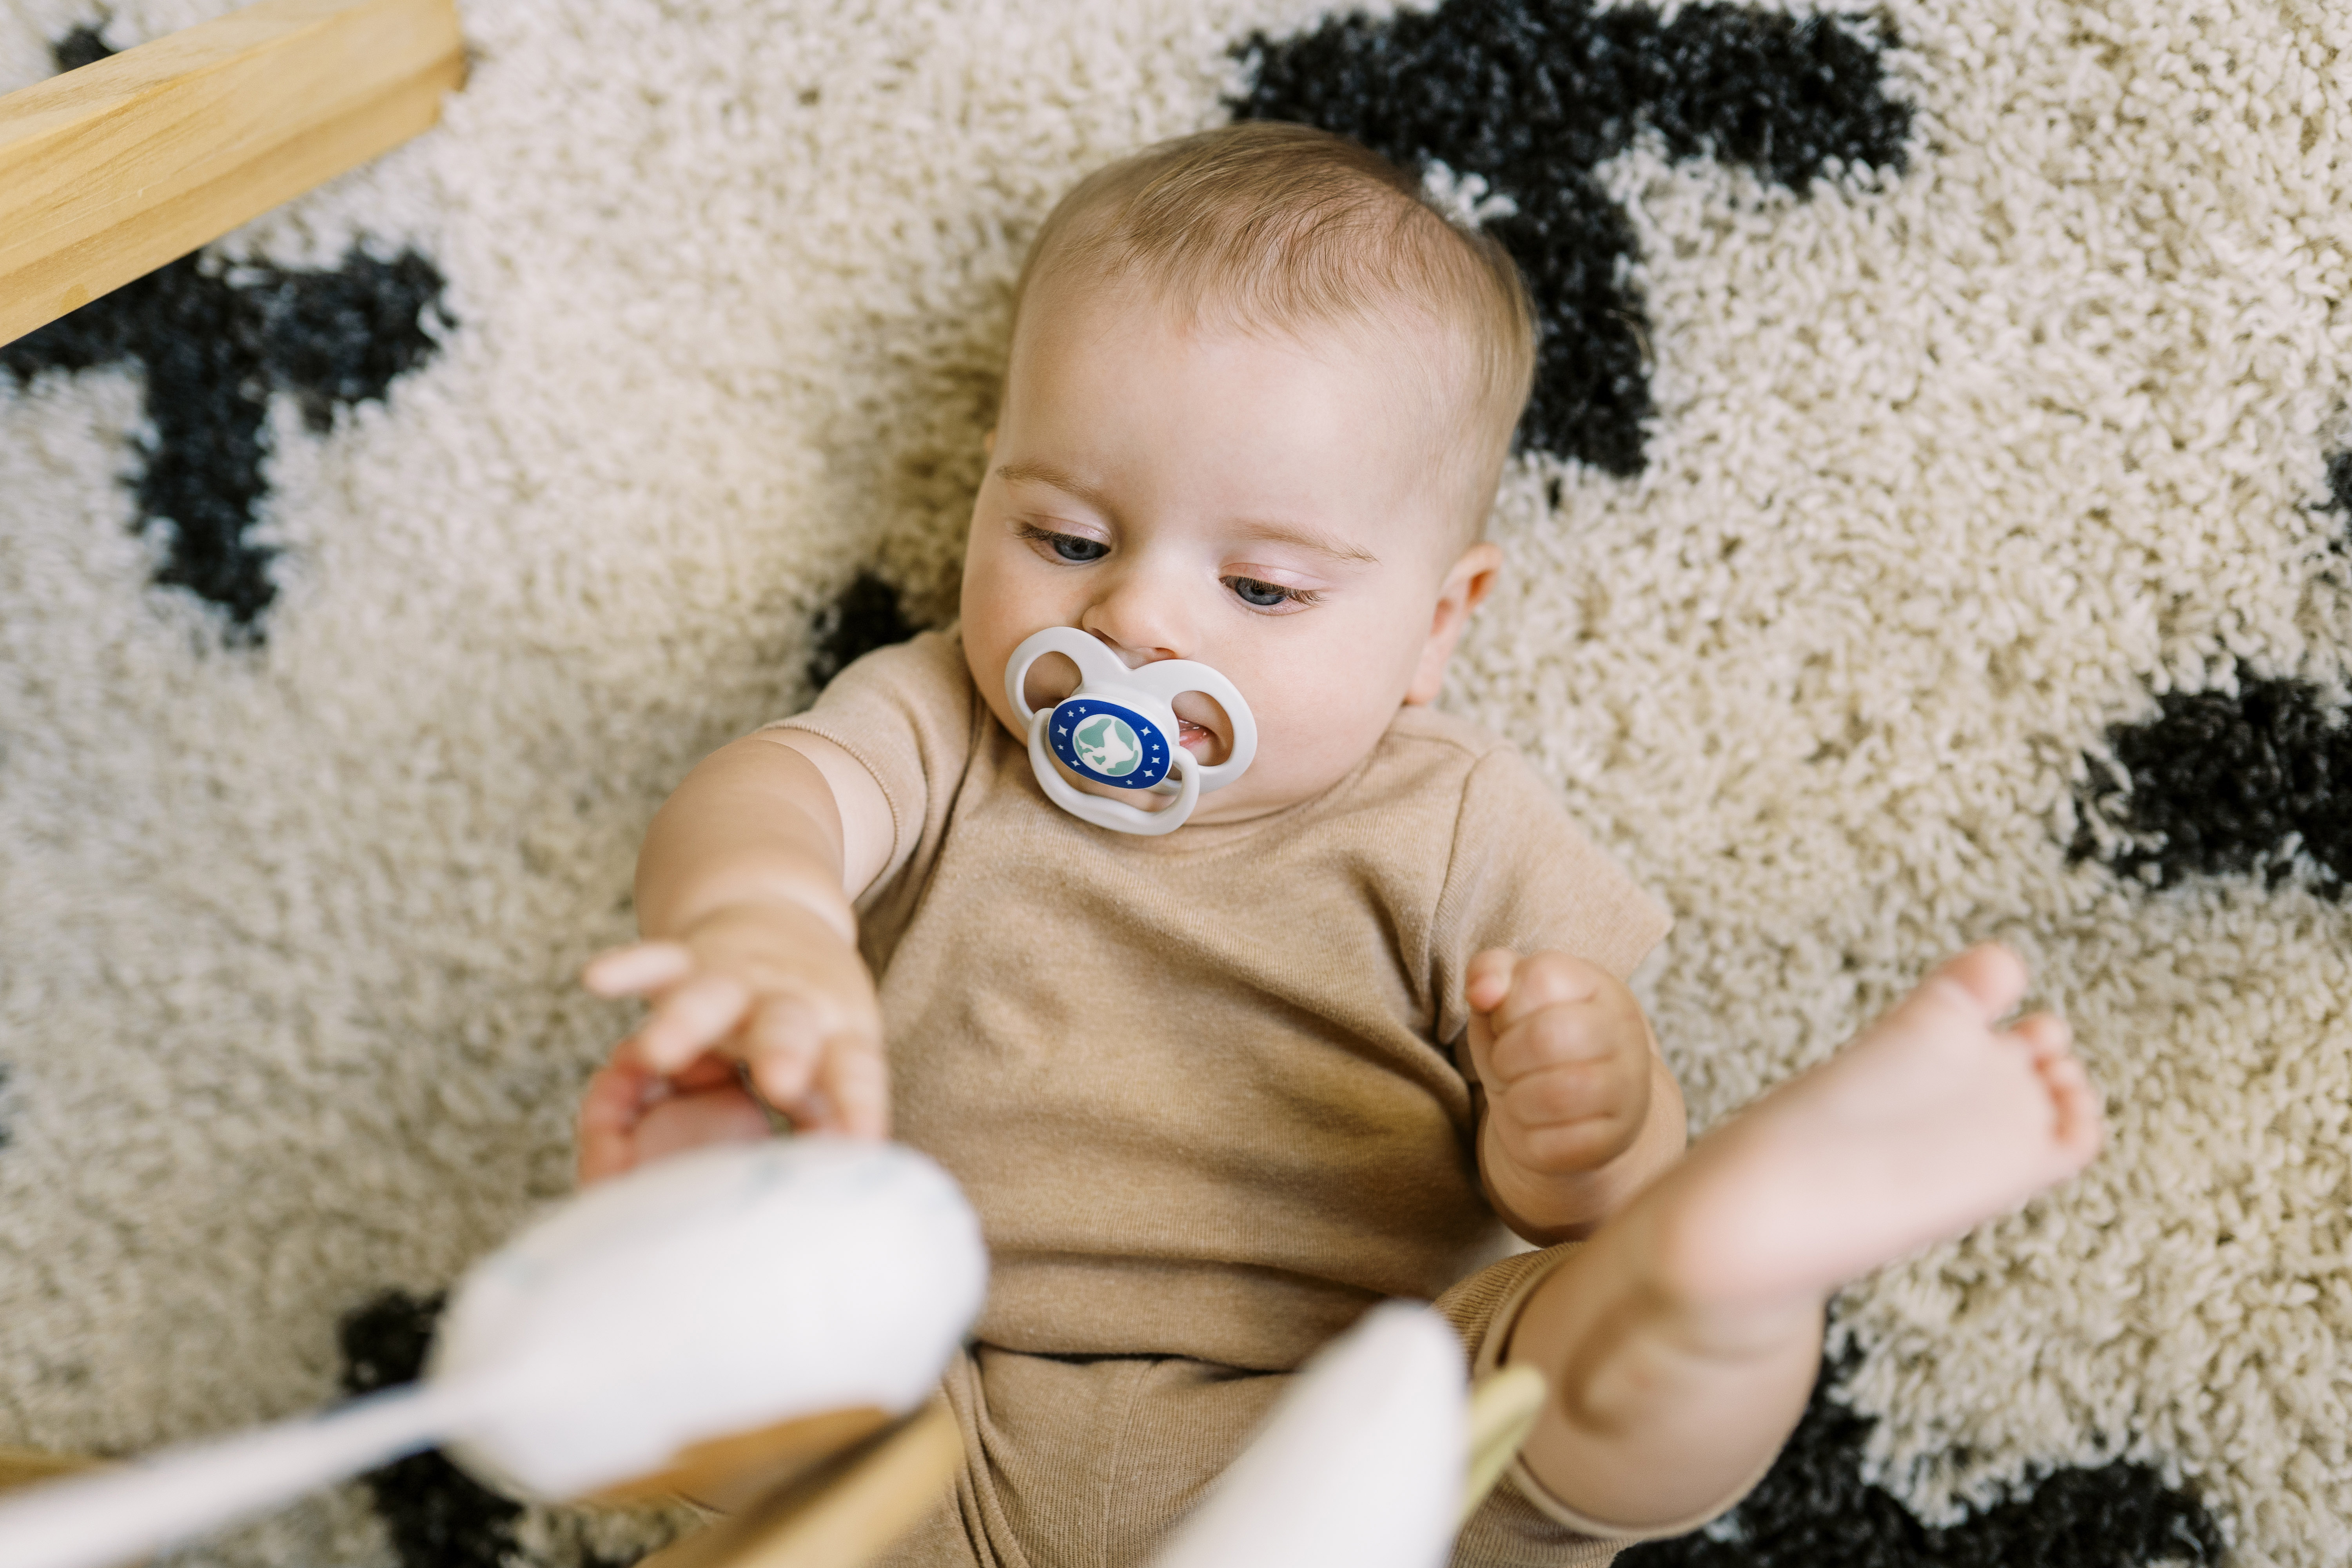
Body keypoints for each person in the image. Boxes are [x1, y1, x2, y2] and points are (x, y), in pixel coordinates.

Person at [570, 122, 2103, 1565]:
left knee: (1564, 1368)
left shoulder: (1452, 823)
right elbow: (777, 792)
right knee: (753, 1350)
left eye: (1263, 589)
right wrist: (763, 917)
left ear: (1437, 624)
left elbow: (1579, 1190)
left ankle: (1726, 1287)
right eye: (1067, 539)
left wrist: (1596, 1133)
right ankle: (705, 1229)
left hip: (1339, 1427)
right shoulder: (943, 727)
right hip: (926, 1411)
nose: (1136, 618)